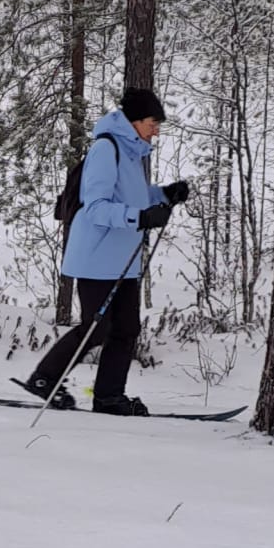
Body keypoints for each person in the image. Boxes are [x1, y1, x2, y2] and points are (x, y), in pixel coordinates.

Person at [27, 87, 190, 415]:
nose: (156, 129)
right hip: (97, 258)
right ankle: (44, 380)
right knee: (96, 328)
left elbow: (133, 195)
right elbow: (97, 207)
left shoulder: (133, 153)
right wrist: (140, 217)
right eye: (152, 122)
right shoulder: (107, 147)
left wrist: (163, 195)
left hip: (124, 261)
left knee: (127, 329)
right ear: (133, 121)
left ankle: (109, 398)